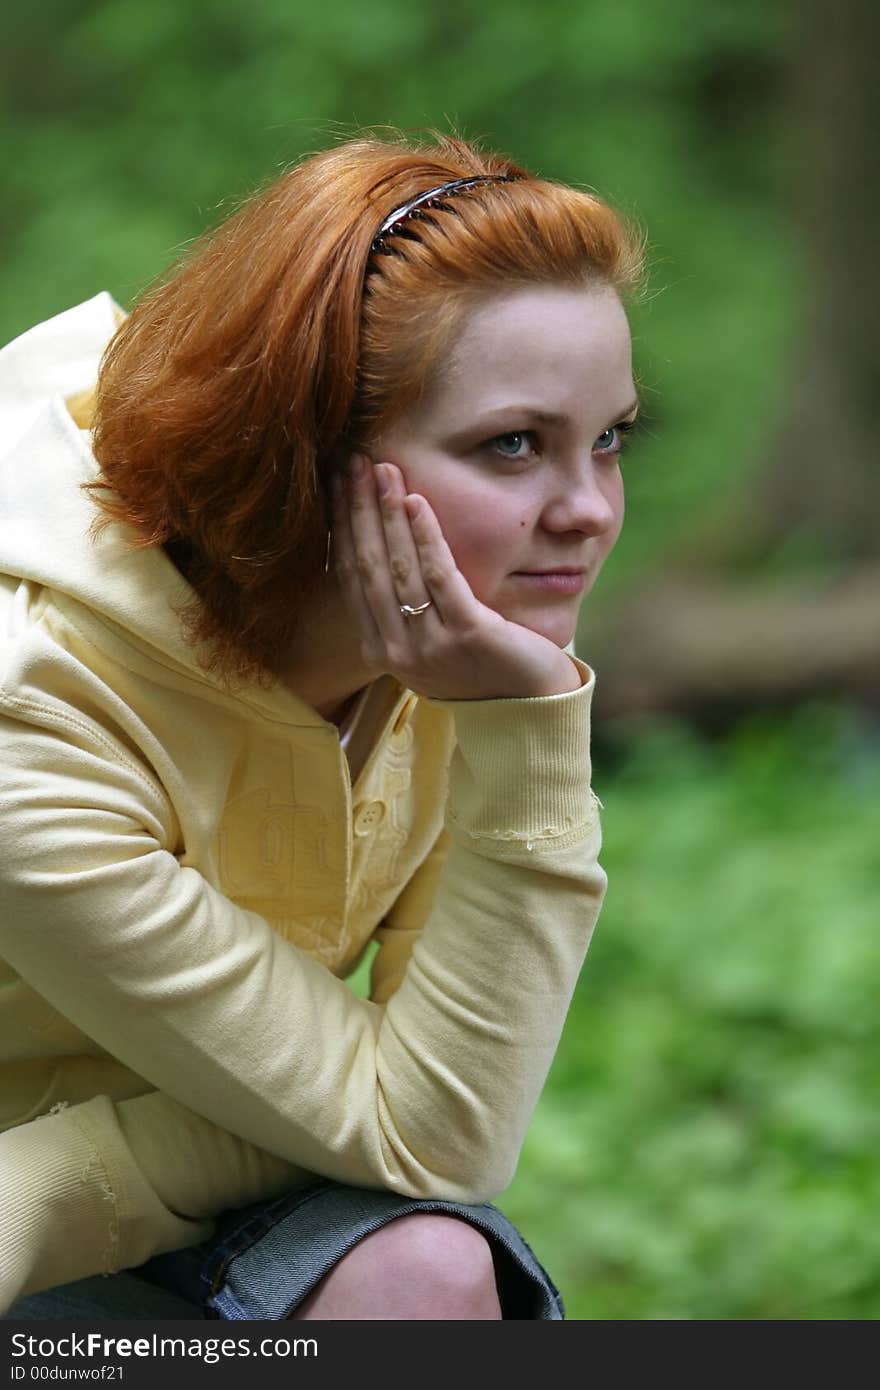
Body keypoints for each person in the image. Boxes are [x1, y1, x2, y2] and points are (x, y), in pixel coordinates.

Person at [0, 130, 645, 1320]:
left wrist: (522, 726)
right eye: (513, 443)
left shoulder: (450, 647)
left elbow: (441, 1126)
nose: (587, 510)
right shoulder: (32, 717)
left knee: (424, 1271)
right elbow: (424, 1119)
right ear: (300, 454)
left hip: (104, 1185)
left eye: (607, 438)